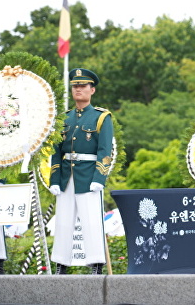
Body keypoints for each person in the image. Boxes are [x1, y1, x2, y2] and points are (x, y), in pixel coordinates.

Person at [49, 68, 114, 275]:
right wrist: (54, 179)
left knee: (91, 221)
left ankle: (96, 264)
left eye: (83, 86)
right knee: (63, 221)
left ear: (92, 90)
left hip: (88, 175)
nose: (78, 89)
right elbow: (56, 151)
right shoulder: (64, 118)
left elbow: (105, 150)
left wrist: (99, 177)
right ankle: (61, 263)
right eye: (75, 86)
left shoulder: (101, 117)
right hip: (67, 175)